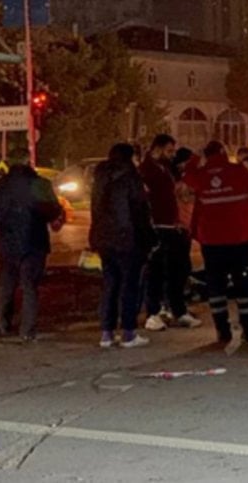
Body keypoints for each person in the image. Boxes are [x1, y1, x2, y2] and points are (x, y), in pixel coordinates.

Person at [184, 141, 248, 344]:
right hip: (240, 238)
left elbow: (187, 175)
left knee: (216, 286)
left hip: (211, 241)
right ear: (222, 152)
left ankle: (222, 330)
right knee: (244, 284)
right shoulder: (238, 171)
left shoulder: (200, 176)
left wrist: (195, 157)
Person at [89, 143, 153, 348]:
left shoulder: (100, 178)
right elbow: (140, 210)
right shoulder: (131, 177)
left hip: (103, 238)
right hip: (128, 239)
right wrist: (148, 238)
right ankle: (128, 332)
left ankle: (106, 333)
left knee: (110, 283)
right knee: (130, 285)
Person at [0, 149, 63, 341]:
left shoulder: (0, 185)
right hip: (34, 240)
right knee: (29, 286)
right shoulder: (40, 184)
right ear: (28, 161)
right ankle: (27, 329)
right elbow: (52, 211)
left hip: (6, 241)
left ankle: (3, 322)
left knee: (6, 283)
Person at [140, 134, 201, 331]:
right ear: (157, 148)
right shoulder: (147, 170)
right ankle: (153, 312)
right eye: (169, 150)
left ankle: (178, 310)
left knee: (179, 270)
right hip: (159, 227)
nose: (172, 155)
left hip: (174, 227)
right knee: (157, 272)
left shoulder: (166, 169)